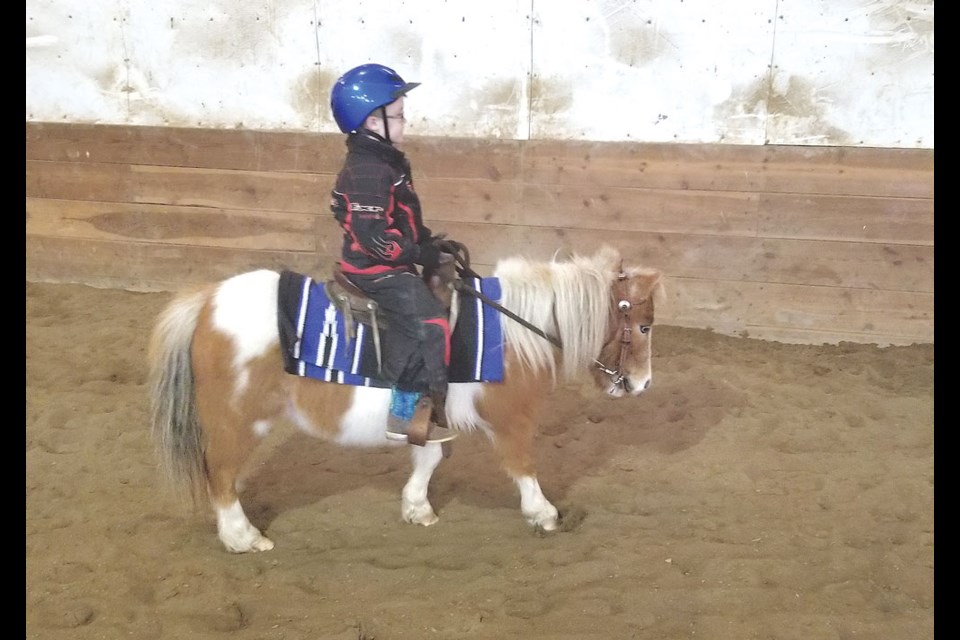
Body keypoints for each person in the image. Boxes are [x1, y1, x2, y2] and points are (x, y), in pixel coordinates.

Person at [329, 63, 457, 445]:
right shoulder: (368, 170)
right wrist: (417, 252)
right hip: (375, 269)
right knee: (431, 323)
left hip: (392, 259)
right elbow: (373, 237)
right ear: (372, 122)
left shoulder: (384, 161)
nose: (405, 123)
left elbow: (402, 216)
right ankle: (403, 413)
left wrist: (429, 244)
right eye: (398, 116)